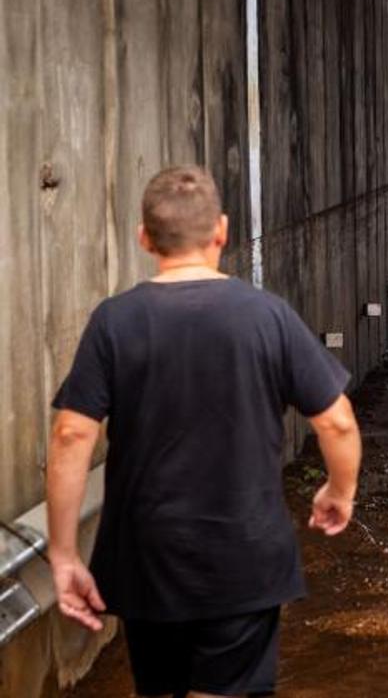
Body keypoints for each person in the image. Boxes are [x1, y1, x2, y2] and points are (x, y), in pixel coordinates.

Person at [46, 165, 362, 697]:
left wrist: (62, 554)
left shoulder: (114, 321)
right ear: (221, 230)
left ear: (144, 237)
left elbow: (71, 437)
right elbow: (335, 419)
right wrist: (340, 490)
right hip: (242, 554)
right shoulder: (268, 316)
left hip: (146, 556)